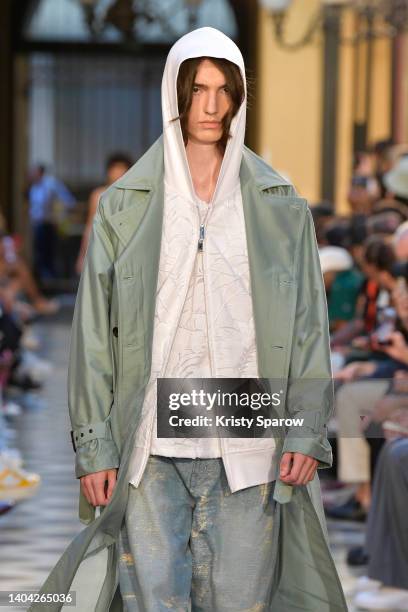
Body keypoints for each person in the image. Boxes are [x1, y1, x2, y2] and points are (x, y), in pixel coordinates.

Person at [29, 28, 347, 611]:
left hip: (246, 425)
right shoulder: (126, 205)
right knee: (156, 604)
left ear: (240, 96)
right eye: (197, 88)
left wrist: (306, 427)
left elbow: (307, 324)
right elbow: (94, 333)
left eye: (225, 89)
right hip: (149, 429)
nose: (211, 105)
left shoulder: (280, 204)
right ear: (173, 92)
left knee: (239, 602)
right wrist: (94, 446)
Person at [75, 153, 133, 275]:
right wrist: (82, 255)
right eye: (115, 169)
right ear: (108, 171)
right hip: (101, 248)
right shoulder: (98, 195)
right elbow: (90, 226)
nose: (118, 173)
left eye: (122, 169)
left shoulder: (133, 197)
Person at [27, 164, 76, 280]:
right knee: (40, 252)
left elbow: (68, 200)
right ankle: (43, 277)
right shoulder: (34, 187)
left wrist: (60, 215)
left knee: (50, 252)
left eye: (34, 172)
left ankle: (51, 278)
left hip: (51, 224)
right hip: (38, 224)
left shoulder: (51, 184)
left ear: (40, 173)